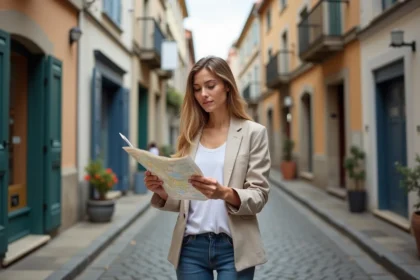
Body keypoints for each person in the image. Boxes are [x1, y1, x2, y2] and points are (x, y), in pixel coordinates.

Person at [144, 56, 271, 280]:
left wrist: (224, 193)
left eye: (210, 86)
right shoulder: (191, 134)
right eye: (197, 88)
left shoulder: (253, 133)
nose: (203, 93)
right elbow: (185, 196)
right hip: (191, 246)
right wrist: (163, 191)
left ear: (227, 87)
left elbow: (259, 195)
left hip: (234, 246)